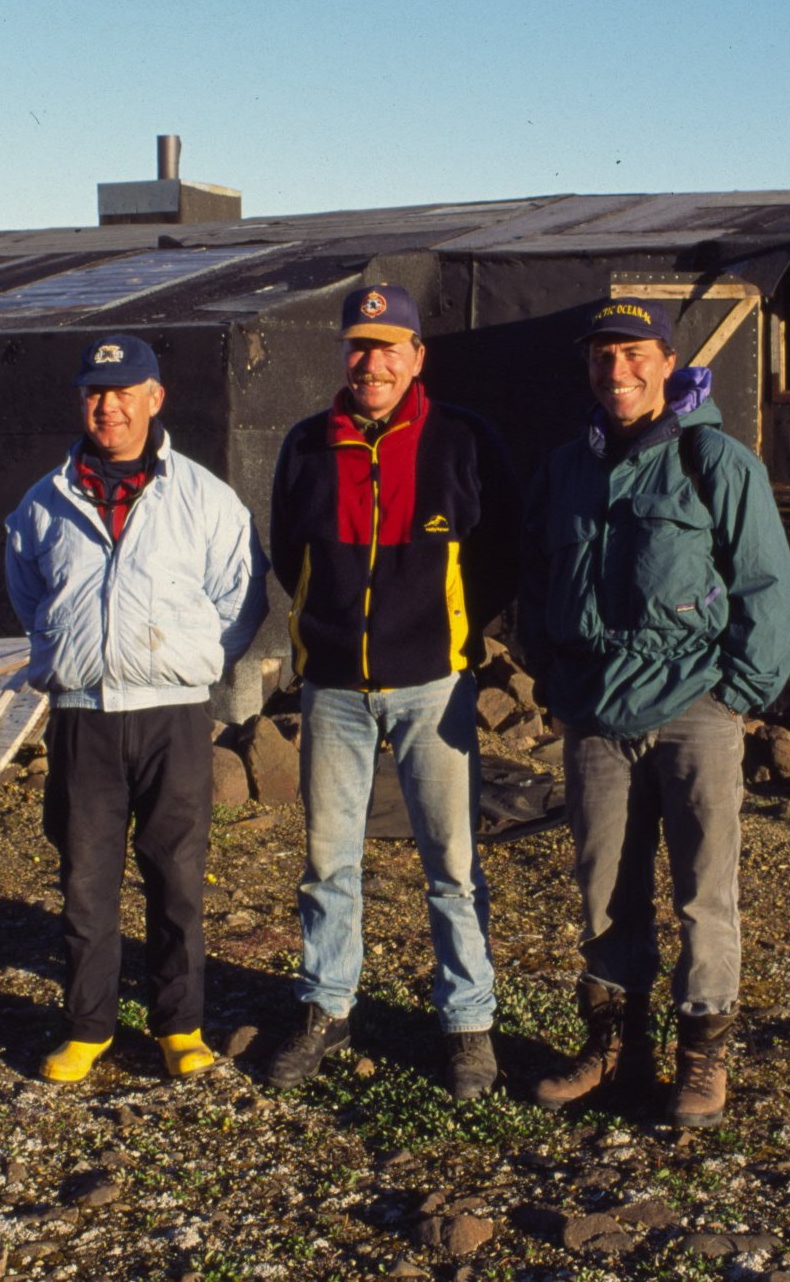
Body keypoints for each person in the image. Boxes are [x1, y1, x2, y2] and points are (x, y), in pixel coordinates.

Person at [520, 297, 790, 1127]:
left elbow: (766, 585)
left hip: (694, 710)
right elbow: (538, 588)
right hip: (597, 715)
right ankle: (614, 1047)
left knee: (704, 893)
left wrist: (736, 697)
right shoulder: (566, 469)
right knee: (605, 890)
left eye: (635, 354)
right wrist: (559, 683)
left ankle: (702, 1060)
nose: (618, 372)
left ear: (668, 361)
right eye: (603, 357)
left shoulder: (716, 461)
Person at [263, 283, 519, 1100]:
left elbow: (500, 550)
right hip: (335, 688)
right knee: (327, 861)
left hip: (432, 688)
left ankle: (468, 1022)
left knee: (452, 861)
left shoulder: (462, 441)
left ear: (417, 356)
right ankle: (327, 1005)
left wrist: (450, 632)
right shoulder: (308, 445)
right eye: (358, 346)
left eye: (388, 347)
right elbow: (286, 552)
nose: (371, 362)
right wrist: (324, 630)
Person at [4, 334, 267, 1084]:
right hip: (84, 714)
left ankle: (179, 1025)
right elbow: (29, 593)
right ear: (80, 400)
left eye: (125, 392)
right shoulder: (45, 501)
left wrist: (189, 665)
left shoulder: (205, 498)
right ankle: (88, 1026)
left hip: (173, 716)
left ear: (156, 398)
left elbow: (240, 599)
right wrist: (75, 653)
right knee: (85, 877)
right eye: (95, 392)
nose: (109, 406)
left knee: (176, 875)